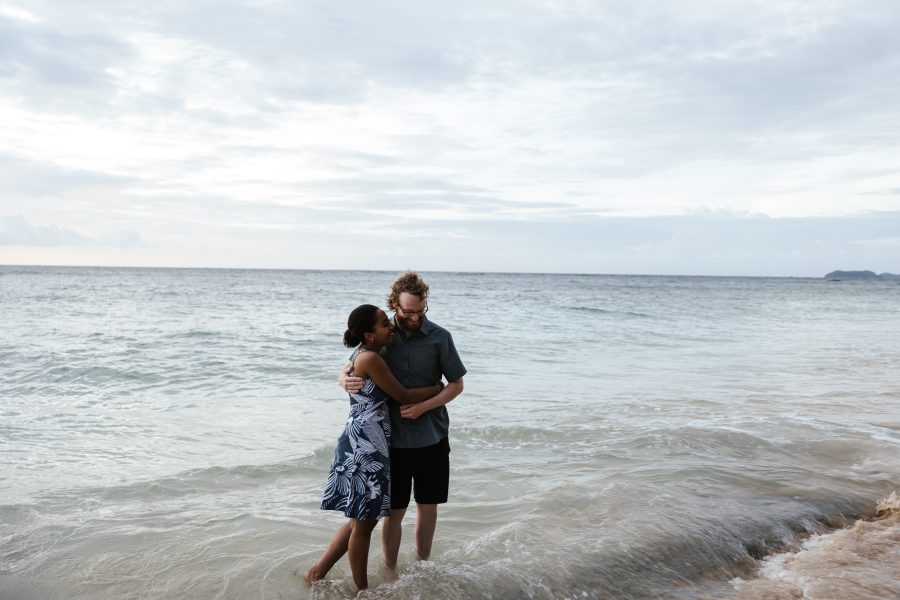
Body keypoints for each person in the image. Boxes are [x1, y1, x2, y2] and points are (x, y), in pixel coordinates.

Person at [305, 304, 444, 591]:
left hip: (367, 442)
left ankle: (316, 574)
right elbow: (402, 395)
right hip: (364, 446)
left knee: (359, 522)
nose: (390, 326)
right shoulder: (371, 358)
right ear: (369, 335)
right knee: (363, 525)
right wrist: (437, 389)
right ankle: (362, 591)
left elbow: (352, 374)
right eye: (384, 323)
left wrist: (341, 375)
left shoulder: (364, 354)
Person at [340, 271, 466, 573]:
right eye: (407, 311)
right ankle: (391, 571)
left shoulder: (440, 337)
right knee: (393, 512)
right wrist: (342, 377)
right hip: (391, 441)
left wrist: (424, 406)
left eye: (420, 311)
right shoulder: (381, 335)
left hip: (432, 435)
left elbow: (456, 384)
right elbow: (356, 361)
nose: (414, 317)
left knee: (428, 507)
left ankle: (423, 567)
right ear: (394, 304)